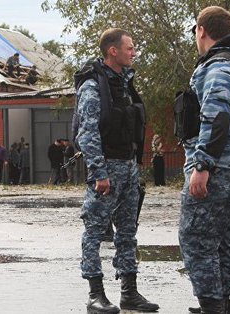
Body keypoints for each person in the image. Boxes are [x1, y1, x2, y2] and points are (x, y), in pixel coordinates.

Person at [75, 28, 159, 313]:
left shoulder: (125, 84)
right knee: (95, 231)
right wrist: (99, 173)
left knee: (127, 232)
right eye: (129, 48)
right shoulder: (93, 86)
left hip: (129, 169)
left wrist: (136, 168)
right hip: (106, 170)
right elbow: (87, 133)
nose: (133, 52)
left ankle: (129, 292)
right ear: (113, 50)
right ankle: (95, 295)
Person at [179, 6, 230, 314]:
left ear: (201, 30)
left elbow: (217, 115)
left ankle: (213, 307)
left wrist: (202, 165)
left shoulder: (219, 65)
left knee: (195, 239)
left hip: (219, 165)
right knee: (226, 239)